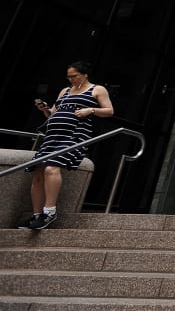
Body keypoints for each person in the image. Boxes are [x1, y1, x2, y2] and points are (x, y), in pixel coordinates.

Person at [17, 61, 113, 230]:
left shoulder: (97, 89)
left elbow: (109, 110)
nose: (71, 80)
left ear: (85, 74)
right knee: (37, 172)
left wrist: (90, 110)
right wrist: (45, 110)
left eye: (74, 76)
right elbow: (54, 113)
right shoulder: (65, 91)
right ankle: (37, 215)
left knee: (51, 168)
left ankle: (50, 212)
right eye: (68, 77)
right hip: (53, 136)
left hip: (75, 134)